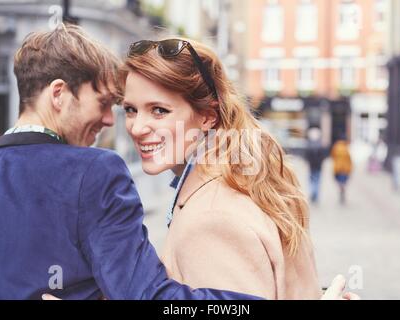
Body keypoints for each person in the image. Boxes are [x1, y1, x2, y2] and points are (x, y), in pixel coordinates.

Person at [0, 24, 261, 300]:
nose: (108, 119)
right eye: (104, 103)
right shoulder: (93, 171)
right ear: (59, 94)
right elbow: (146, 296)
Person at [121, 38, 352, 300]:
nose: (137, 128)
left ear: (208, 116)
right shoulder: (242, 179)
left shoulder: (211, 218)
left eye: (159, 110)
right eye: (130, 109)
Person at [305, 127, 327, 204]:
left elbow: (306, 157)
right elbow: (323, 157)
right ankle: (316, 194)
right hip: (318, 166)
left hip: (312, 166)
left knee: (312, 180)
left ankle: (313, 192)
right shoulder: (320, 145)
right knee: (317, 181)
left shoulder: (309, 145)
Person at [331, 137, 353, 205]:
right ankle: (342, 190)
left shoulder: (335, 147)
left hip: (338, 168)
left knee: (339, 182)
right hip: (345, 169)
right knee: (343, 182)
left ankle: (341, 189)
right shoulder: (347, 148)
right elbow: (350, 159)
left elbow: (333, 156)